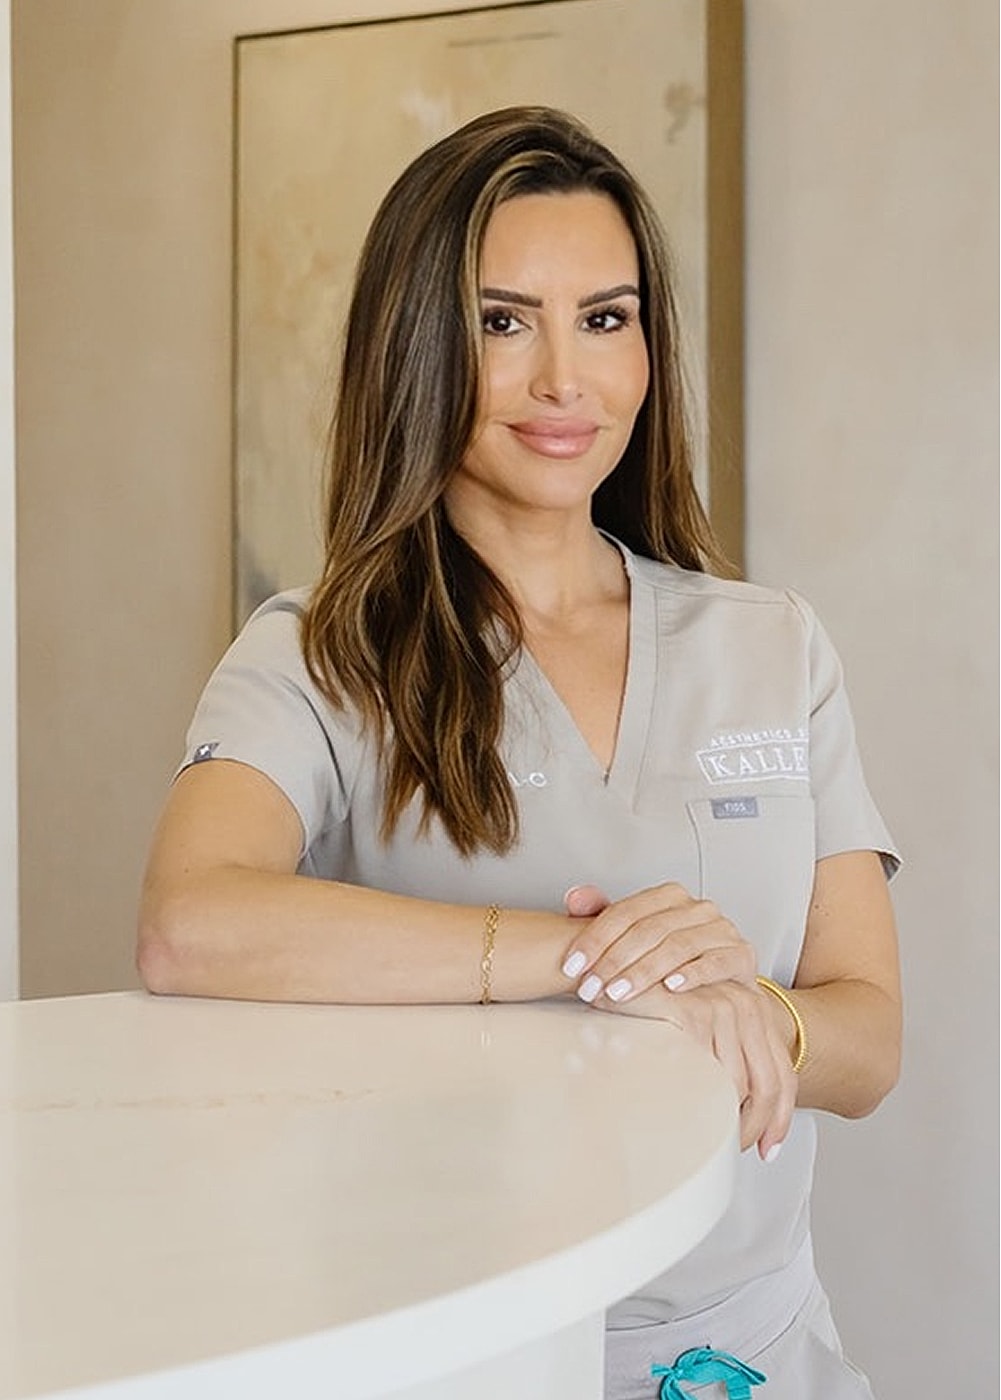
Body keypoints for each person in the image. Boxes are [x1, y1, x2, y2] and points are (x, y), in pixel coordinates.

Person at [137, 107, 901, 1399]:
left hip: (753, 1353)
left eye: (605, 319)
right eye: (503, 322)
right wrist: (592, 962)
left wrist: (742, 1013)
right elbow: (190, 926)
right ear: (416, 350)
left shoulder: (772, 647)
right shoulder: (316, 658)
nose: (565, 380)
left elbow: (867, 1041)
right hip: (455, 1353)